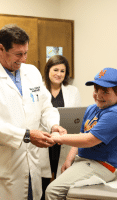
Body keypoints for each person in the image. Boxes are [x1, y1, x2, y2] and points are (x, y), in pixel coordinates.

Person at [0, 24, 67, 200]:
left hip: (30, 165)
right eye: (18, 54)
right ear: (1, 49)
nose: (24, 59)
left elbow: (45, 106)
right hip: (2, 169)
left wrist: (54, 125)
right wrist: (27, 135)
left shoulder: (32, 72)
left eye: (26, 53)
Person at [45, 68, 117, 200]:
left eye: (105, 92)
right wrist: (69, 159)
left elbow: (89, 140)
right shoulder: (92, 109)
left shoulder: (116, 113)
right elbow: (82, 134)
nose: (98, 95)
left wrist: (59, 138)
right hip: (84, 161)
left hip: (101, 166)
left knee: (52, 191)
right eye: (96, 90)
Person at [40, 55, 81, 200]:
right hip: (43, 140)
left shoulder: (73, 91)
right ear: (48, 70)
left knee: (60, 180)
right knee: (43, 180)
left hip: (64, 140)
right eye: (55, 69)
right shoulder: (39, 89)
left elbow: (76, 118)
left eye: (62, 71)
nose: (59, 74)